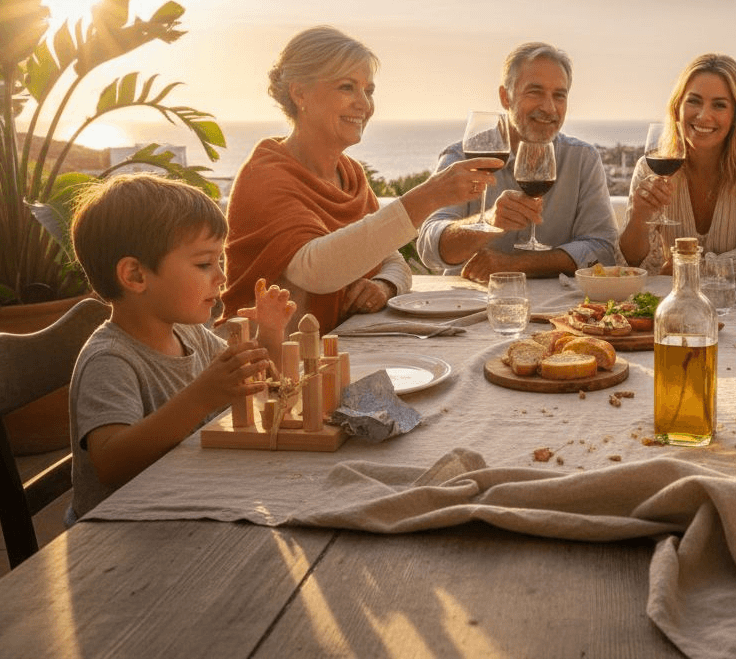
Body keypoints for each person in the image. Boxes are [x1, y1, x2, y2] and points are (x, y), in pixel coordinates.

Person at [222, 26, 499, 332]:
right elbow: (314, 270)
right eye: (346, 87)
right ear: (300, 93)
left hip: (335, 347)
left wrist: (383, 285)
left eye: (368, 90)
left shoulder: (350, 175)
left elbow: (393, 260)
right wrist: (429, 196)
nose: (364, 105)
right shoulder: (265, 175)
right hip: (264, 363)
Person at [67, 173, 295, 520]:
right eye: (204, 264)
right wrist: (202, 397)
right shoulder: (110, 360)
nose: (221, 276)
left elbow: (252, 385)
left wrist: (270, 335)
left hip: (187, 499)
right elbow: (111, 464)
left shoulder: (191, 334)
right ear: (135, 276)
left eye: (218, 261)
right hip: (122, 529)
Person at [416, 42, 618, 283]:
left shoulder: (582, 160)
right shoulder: (463, 157)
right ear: (505, 97)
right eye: (535, 92)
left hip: (560, 313)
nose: (549, 108)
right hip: (471, 308)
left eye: (559, 96)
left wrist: (514, 266)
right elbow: (430, 248)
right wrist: (490, 221)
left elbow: (603, 250)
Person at [618, 53, 736, 277]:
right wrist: (639, 219)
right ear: (677, 107)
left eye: (719, 105)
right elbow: (636, 269)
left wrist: (691, 267)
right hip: (677, 307)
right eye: (694, 101)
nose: (703, 116)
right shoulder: (649, 168)